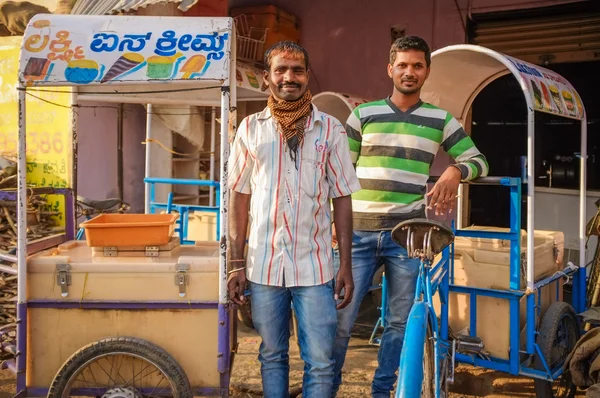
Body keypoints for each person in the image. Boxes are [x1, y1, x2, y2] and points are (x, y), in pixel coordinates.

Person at [331, 36, 489, 397]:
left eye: (417, 65)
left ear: (426, 72)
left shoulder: (439, 119)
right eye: (402, 65)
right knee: (339, 320)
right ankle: (327, 386)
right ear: (390, 69)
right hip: (356, 235)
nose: (409, 72)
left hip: (407, 236)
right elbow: (337, 174)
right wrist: (330, 227)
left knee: (399, 324)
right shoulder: (363, 114)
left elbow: (479, 160)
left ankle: (381, 390)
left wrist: (454, 171)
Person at [227, 41, 361, 398]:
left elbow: (342, 197)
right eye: (281, 70)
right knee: (272, 354)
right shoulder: (250, 129)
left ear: (307, 76)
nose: (290, 77)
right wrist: (235, 264)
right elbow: (239, 197)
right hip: (264, 266)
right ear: (267, 78)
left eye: (298, 70)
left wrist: (344, 264)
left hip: (315, 267)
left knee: (320, 359)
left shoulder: (330, 129)